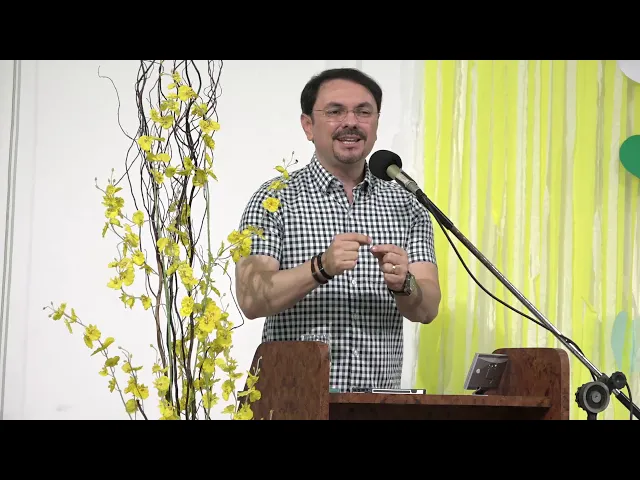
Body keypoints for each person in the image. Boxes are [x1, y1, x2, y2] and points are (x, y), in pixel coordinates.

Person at [234, 67, 441, 392]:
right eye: (335, 112)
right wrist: (321, 267)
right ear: (308, 126)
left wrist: (406, 284)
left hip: (377, 406)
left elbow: (428, 308)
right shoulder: (274, 199)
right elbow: (250, 298)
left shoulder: (407, 204)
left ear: (376, 124)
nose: (351, 122)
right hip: (291, 402)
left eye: (364, 112)